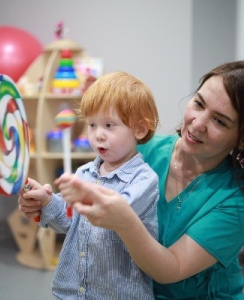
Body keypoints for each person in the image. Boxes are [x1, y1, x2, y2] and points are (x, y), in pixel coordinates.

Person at [52, 61, 244, 299]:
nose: (198, 123)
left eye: (220, 121)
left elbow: (172, 268)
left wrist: (125, 222)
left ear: (241, 138)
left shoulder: (236, 201)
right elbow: (82, 220)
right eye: (198, 103)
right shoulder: (139, 151)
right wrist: (48, 205)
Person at [19, 71, 160, 299]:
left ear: (140, 130)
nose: (98, 135)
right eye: (92, 125)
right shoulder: (84, 173)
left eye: (109, 125)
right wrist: (47, 201)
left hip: (118, 294)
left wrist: (83, 193)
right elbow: (70, 223)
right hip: (73, 291)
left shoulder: (144, 180)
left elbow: (114, 213)